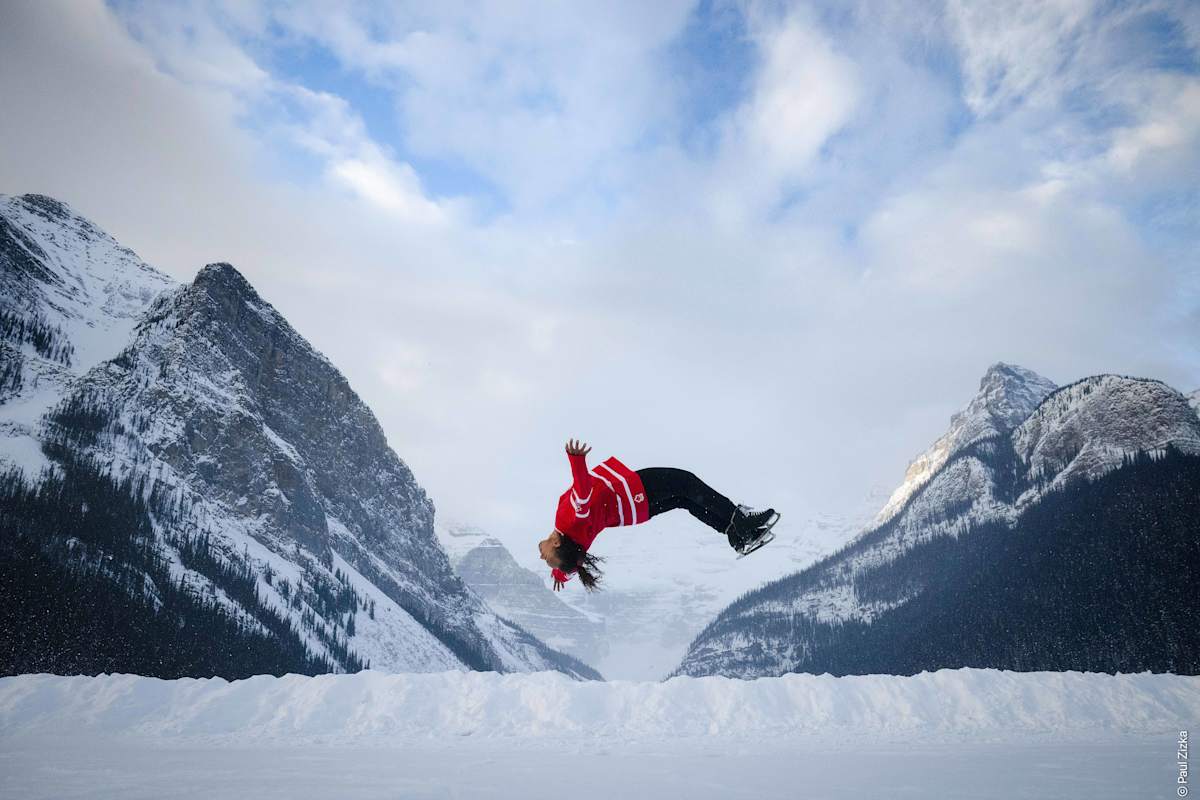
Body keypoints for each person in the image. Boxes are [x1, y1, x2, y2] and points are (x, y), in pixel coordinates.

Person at [537, 438, 778, 591]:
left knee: (685, 500)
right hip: (633, 493)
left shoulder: (578, 546)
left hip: (637, 513)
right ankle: (741, 521)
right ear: (557, 543)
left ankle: (733, 533)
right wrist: (576, 461)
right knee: (686, 482)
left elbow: (572, 563)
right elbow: (582, 494)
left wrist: (560, 572)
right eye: (548, 557)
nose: (542, 557)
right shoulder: (567, 522)